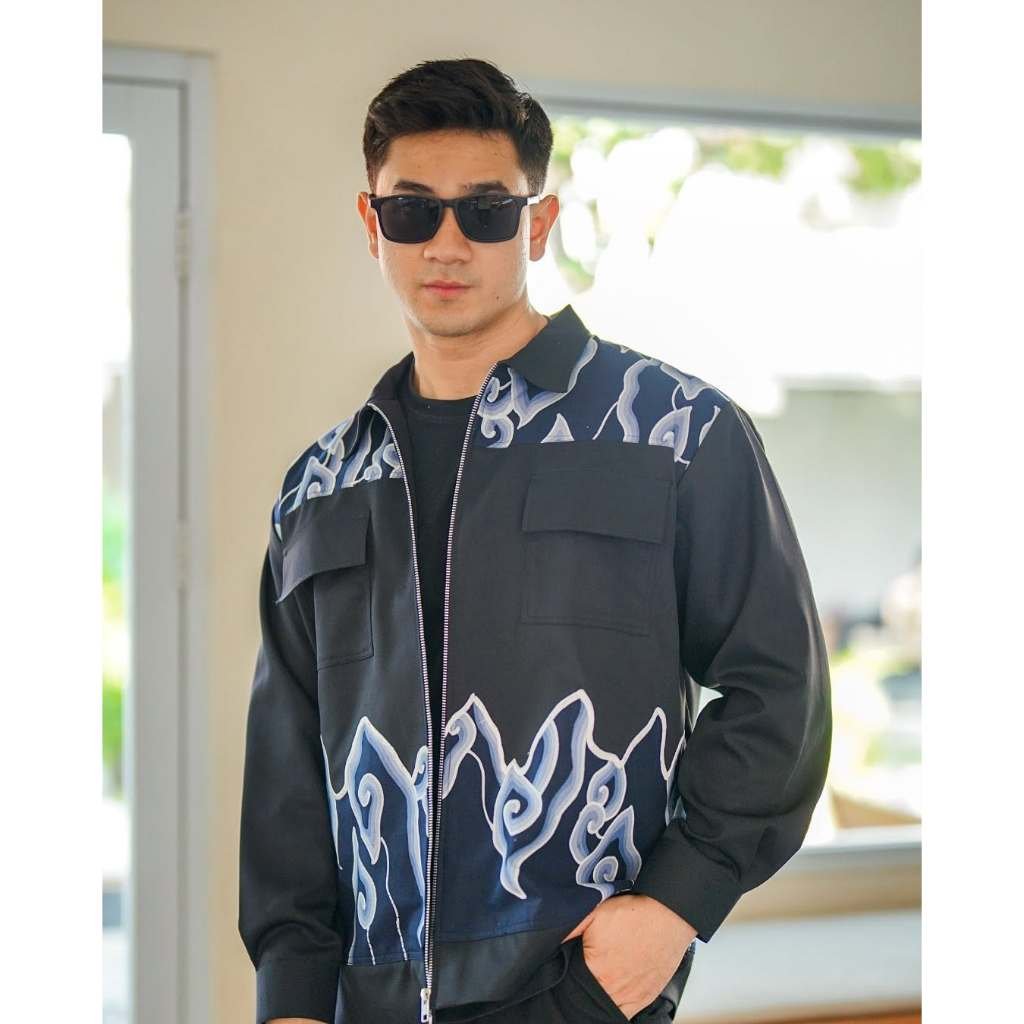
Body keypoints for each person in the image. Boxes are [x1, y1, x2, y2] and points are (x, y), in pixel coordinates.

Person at [238, 57, 833, 1024]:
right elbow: (286, 773)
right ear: (371, 224)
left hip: (579, 991)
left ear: (539, 223)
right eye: (411, 211)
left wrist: (673, 909)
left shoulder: (675, 434)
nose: (446, 243)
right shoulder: (321, 486)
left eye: (485, 211)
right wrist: (292, 999)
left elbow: (781, 692)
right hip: (362, 1003)